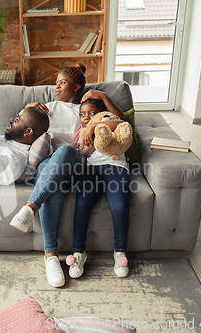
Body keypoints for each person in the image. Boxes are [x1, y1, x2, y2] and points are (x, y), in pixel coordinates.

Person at [9, 63, 127, 287]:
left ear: (77, 87)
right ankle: (50, 257)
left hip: (76, 162)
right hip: (49, 163)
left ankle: (31, 206)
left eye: (62, 83)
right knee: (50, 180)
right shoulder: (48, 107)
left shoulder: (87, 109)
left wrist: (99, 100)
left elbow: (119, 120)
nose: (56, 87)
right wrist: (27, 108)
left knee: (64, 150)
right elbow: (19, 127)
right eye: (56, 83)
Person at [67, 99, 131, 280]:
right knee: (82, 205)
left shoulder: (111, 124)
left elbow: (121, 123)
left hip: (115, 167)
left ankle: (120, 253)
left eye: (92, 113)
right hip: (91, 170)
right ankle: (79, 252)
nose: (87, 118)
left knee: (119, 207)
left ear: (102, 114)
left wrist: (94, 126)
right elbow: (81, 155)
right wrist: (88, 135)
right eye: (82, 114)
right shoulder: (80, 133)